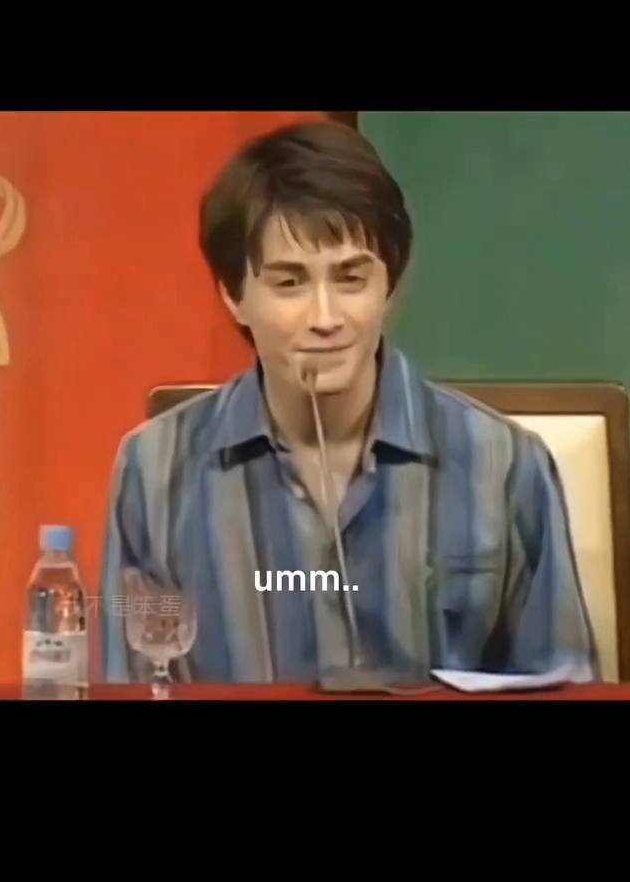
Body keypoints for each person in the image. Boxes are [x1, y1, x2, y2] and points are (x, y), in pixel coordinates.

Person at [100, 119, 599, 685]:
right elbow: (133, 682)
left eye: (351, 279)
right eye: (289, 284)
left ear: (390, 285)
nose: (325, 318)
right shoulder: (154, 474)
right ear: (234, 296)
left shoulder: (505, 467)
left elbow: (562, 683)